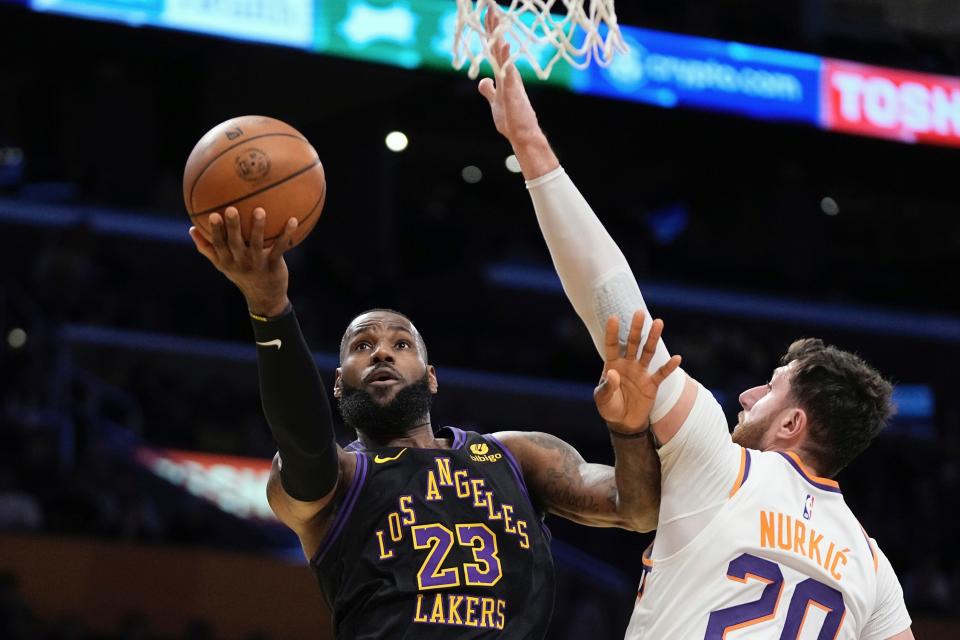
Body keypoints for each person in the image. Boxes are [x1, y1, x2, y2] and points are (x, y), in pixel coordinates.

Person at [478, 15, 914, 639]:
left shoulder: (725, 464)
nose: (746, 394)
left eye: (770, 389)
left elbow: (616, 310)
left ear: (794, 423)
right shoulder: (875, 568)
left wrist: (532, 147)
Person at [186, 207, 679, 637]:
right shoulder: (342, 479)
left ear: (432, 377)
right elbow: (305, 444)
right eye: (362, 347)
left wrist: (629, 428)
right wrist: (270, 309)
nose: (381, 351)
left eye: (401, 345)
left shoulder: (516, 456)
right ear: (338, 384)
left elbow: (635, 510)